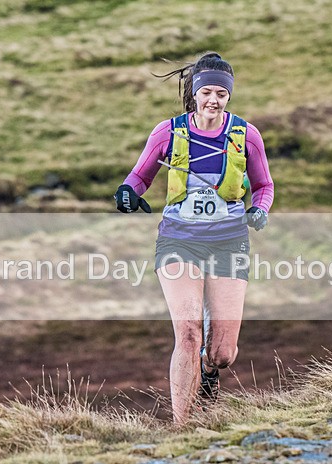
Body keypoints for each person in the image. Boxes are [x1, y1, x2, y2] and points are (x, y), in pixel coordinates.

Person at [114, 52, 275, 425]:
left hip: (228, 241)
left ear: (229, 97)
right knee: (187, 333)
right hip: (178, 239)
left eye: (222, 93)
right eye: (207, 92)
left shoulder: (245, 135)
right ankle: (182, 427)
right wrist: (127, 193)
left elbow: (264, 185)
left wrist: (260, 210)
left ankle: (208, 370)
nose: (214, 100)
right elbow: (138, 177)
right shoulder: (168, 132)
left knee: (222, 352)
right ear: (195, 94)